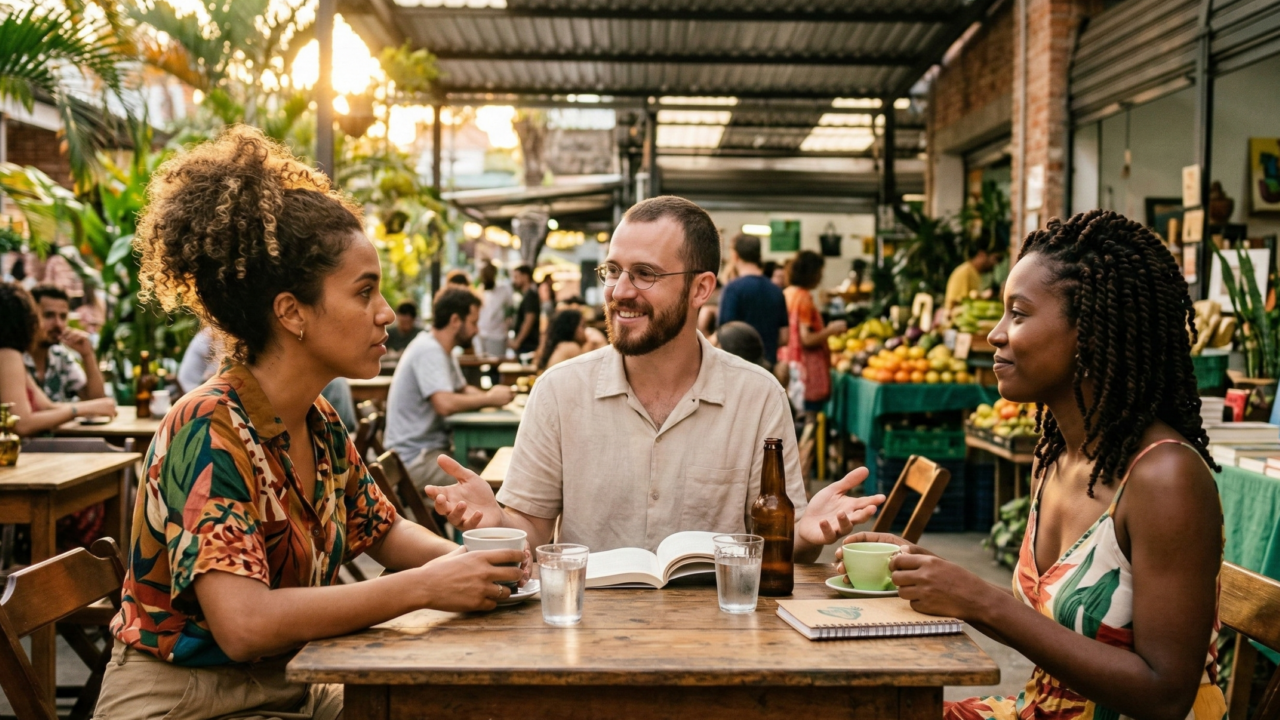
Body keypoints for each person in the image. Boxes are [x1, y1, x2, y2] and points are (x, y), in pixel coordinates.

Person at [96, 126, 522, 720]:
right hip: (183, 698)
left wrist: (481, 558)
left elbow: (387, 534)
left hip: (290, 680)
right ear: (292, 313)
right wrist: (429, 586)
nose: (387, 315)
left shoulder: (317, 421)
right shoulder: (208, 426)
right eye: (364, 292)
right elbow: (243, 625)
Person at [841, 211, 1227, 719]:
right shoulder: (1055, 459)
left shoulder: (1165, 478)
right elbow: (1054, 621)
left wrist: (979, 600)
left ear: (1092, 329)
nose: (995, 335)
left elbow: (1166, 695)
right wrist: (932, 571)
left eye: (1019, 314)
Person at [424, 196, 884, 559]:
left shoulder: (758, 396)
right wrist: (496, 524)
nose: (620, 292)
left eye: (644, 274)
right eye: (613, 271)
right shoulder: (559, 391)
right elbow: (531, 533)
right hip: (585, 640)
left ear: (700, 288)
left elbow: (784, 550)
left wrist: (805, 535)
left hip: (720, 646)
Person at [384, 288, 516, 490]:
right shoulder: (429, 350)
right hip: (415, 460)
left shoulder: (442, 350)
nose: (477, 330)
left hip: (429, 452)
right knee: (492, 484)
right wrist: (489, 398)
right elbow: (444, 404)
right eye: (473, 322)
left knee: (500, 470)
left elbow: (462, 390)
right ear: (455, 320)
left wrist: (498, 397)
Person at [0, 282, 117, 437]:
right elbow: (21, 424)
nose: (58, 324)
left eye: (63, 316)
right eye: (45, 316)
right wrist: (78, 410)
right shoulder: (7, 354)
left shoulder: (53, 356)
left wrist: (92, 406)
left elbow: (46, 407)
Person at [783, 250, 847, 415]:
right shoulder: (803, 297)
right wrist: (831, 330)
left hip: (790, 364)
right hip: (807, 371)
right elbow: (807, 339)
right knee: (810, 419)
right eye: (819, 272)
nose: (821, 277)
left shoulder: (787, 293)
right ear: (811, 273)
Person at [24, 283, 107, 402]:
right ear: (30, 317)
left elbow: (96, 399)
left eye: (63, 317)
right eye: (48, 315)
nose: (58, 324)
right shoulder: (14, 357)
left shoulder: (59, 356)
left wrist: (87, 355)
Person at [716, 234, 789, 367]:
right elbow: (784, 337)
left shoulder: (732, 289)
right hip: (768, 369)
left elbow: (725, 334)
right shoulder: (776, 291)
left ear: (735, 256)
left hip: (739, 369)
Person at [944, 243, 1005, 311]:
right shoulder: (966, 271)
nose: (995, 264)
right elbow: (956, 303)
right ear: (981, 255)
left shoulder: (975, 273)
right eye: (994, 259)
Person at [476, 263, 513, 359]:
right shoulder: (480, 290)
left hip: (497, 336)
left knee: (496, 367)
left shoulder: (504, 290)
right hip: (481, 334)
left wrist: (506, 327)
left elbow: (510, 311)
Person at [509, 264, 540, 359]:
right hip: (526, 344)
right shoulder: (528, 295)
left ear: (526, 277)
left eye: (516, 277)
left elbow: (529, 320)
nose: (514, 280)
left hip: (527, 345)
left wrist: (517, 342)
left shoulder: (530, 296)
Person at [177, 326, 218, 394]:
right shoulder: (212, 335)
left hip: (185, 387)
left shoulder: (206, 333)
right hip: (190, 389)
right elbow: (211, 375)